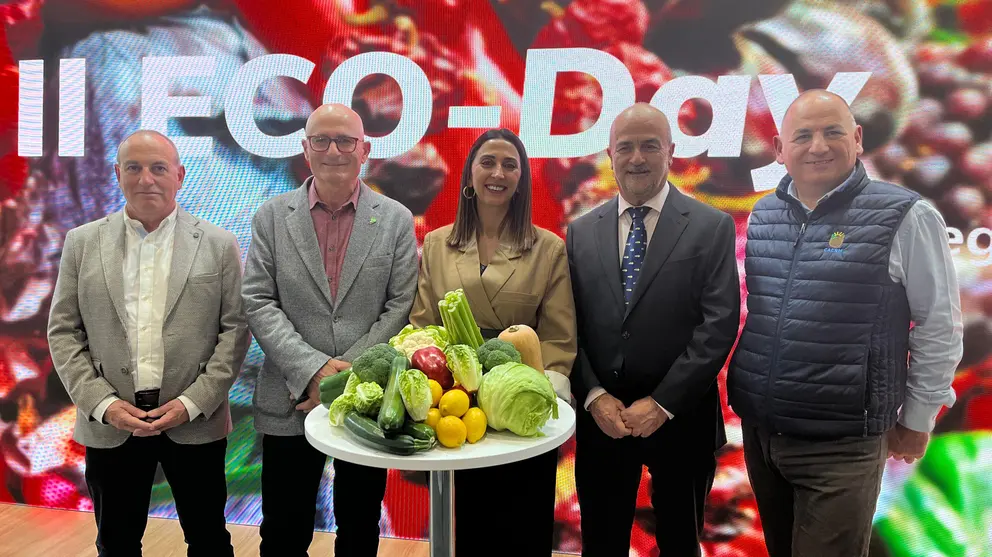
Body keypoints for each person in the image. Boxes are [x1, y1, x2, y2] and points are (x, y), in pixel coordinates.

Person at [727, 90, 963, 557]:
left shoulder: (906, 215)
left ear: (857, 139)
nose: (818, 146)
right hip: (762, 436)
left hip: (843, 446)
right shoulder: (764, 215)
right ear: (779, 149)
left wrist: (918, 416)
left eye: (833, 132)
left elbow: (939, 325)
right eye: (803, 135)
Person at [47, 130, 251, 556]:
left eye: (159, 168)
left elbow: (235, 331)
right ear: (117, 174)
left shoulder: (217, 244)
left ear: (180, 175)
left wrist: (193, 401)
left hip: (194, 421)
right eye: (134, 168)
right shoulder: (82, 243)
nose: (146, 179)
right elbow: (64, 332)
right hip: (112, 424)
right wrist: (102, 403)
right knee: (116, 543)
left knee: (210, 540)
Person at [242, 103, 418, 557]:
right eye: (321, 140)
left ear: (366, 150)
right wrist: (314, 369)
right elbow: (258, 300)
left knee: (360, 526)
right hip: (289, 396)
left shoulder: (396, 218)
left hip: (367, 398)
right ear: (305, 149)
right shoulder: (271, 216)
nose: (333, 150)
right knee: (283, 528)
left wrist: (345, 378)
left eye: (346, 141)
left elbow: (401, 305)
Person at [566, 103, 741, 556]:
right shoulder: (580, 232)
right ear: (610, 154)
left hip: (682, 420)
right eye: (626, 147)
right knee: (601, 543)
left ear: (671, 152)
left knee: (680, 544)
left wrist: (662, 404)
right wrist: (593, 396)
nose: (637, 158)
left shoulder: (711, 226)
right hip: (602, 421)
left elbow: (718, 323)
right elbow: (568, 325)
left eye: (650, 146)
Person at [408, 128, 576, 556]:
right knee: (473, 527)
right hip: (461, 408)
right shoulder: (437, 244)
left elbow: (558, 340)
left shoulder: (548, 248)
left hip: (521, 408)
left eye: (510, 164)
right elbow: (423, 327)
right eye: (488, 162)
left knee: (525, 528)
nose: (497, 172)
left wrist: (535, 399)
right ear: (469, 174)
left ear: (522, 179)